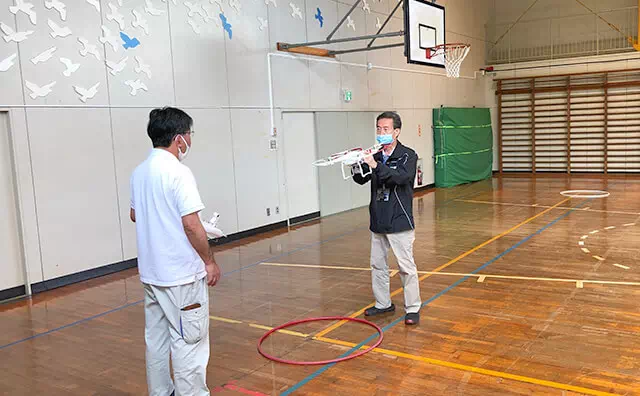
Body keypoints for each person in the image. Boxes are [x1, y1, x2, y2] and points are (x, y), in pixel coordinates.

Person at [130, 107, 221, 396]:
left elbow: (135, 214)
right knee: (189, 342)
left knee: (156, 340)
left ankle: (160, 392)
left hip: (151, 274)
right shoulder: (178, 172)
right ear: (179, 138)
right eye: (190, 135)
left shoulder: (139, 172)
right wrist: (209, 261)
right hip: (181, 276)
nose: (190, 141)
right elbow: (191, 225)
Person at [352, 111, 421, 325]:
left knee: (405, 267)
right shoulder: (376, 155)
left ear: (396, 132)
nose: (381, 132)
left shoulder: (408, 155)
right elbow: (360, 179)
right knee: (378, 265)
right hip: (378, 219)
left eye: (386, 129)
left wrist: (375, 165)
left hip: (399, 221)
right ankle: (383, 304)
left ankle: (412, 308)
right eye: (379, 128)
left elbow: (400, 178)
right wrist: (355, 164)